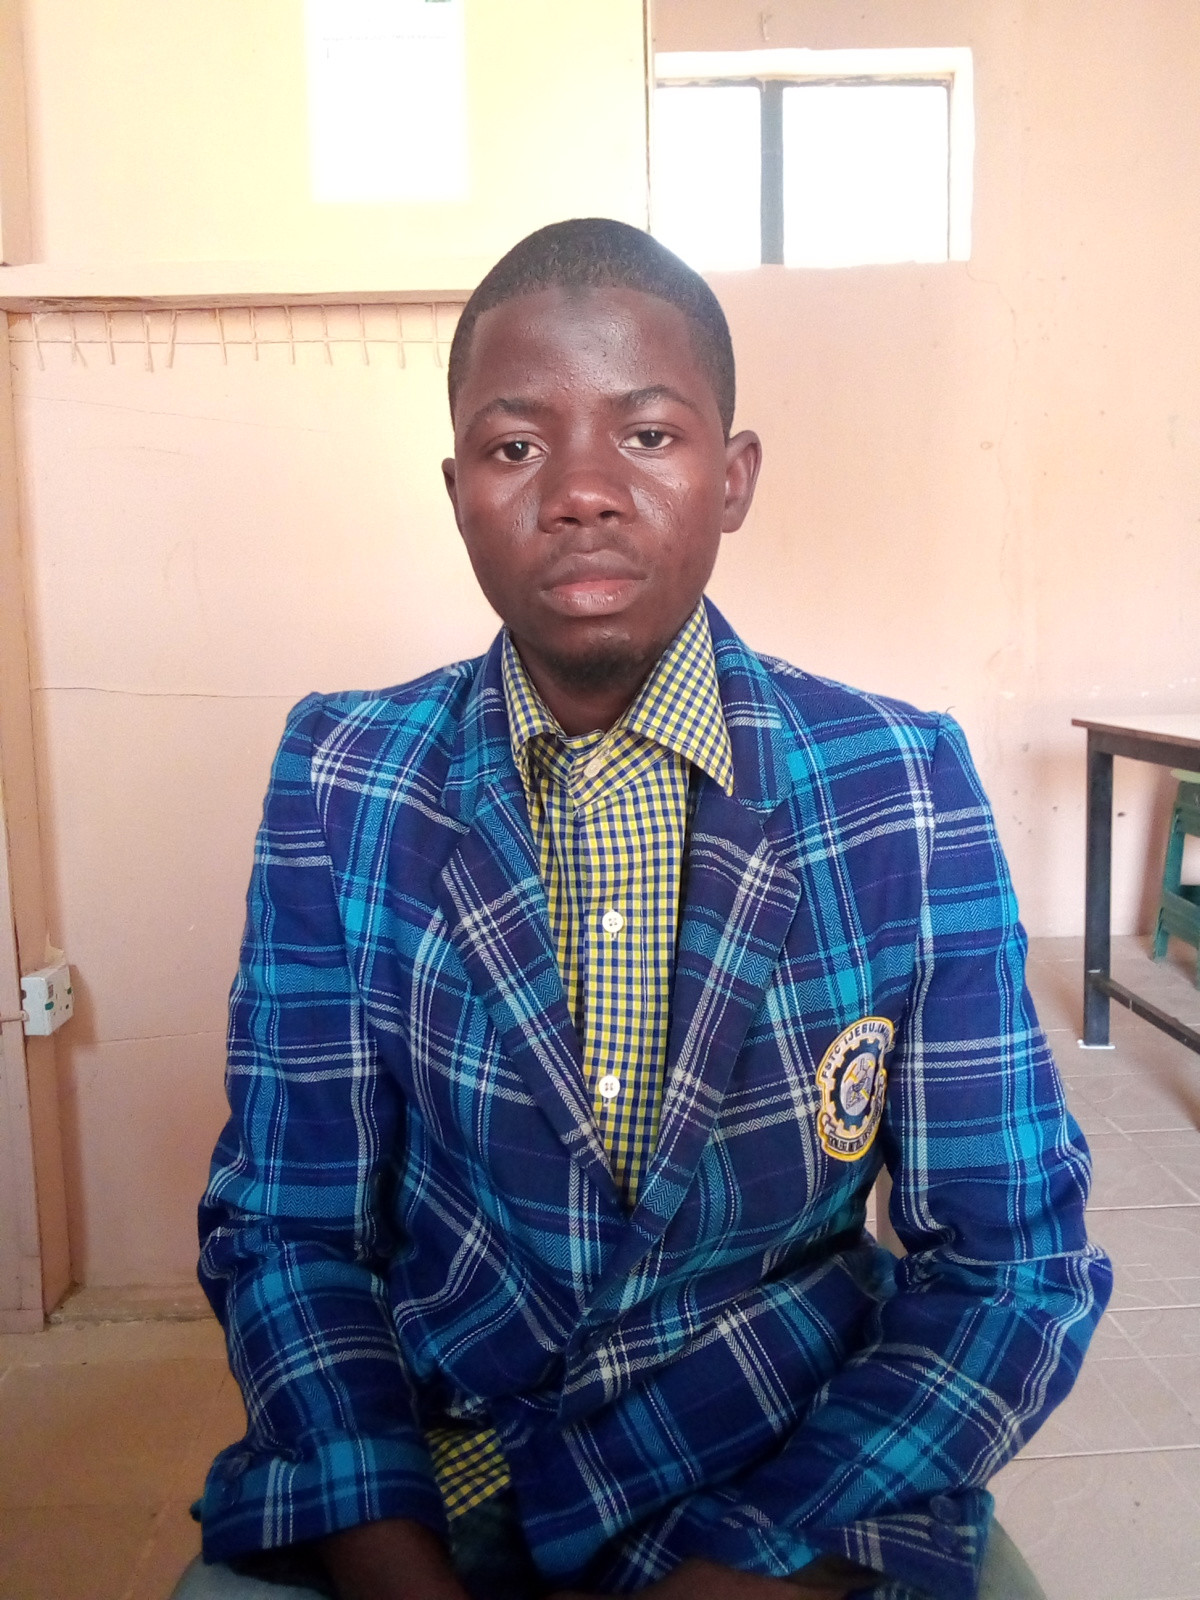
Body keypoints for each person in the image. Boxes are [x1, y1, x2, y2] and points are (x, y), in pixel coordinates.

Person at [180, 218, 1110, 1600]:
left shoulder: (898, 784)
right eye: (516, 446)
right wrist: (391, 1556)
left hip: (782, 1465)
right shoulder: (345, 778)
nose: (581, 493)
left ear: (733, 479)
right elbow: (289, 1228)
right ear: (458, 492)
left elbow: (1010, 1265)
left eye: (650, 436)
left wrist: (751, 1565)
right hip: (445, 1460)